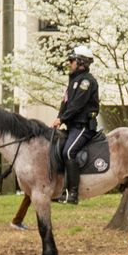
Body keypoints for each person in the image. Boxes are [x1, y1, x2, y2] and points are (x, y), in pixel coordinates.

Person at [51, 45, 99, 204]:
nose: (69, 63)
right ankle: (61, 190)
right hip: (73, 127)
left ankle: (73, 194)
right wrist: (59, 118)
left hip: (83, 126)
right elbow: (65, 103)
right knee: (57, 149)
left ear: (80, 63)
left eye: (72, 60)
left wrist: (62, 119)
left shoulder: (86, 81)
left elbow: (77, 105)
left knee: (69, 152)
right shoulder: (73, 81)